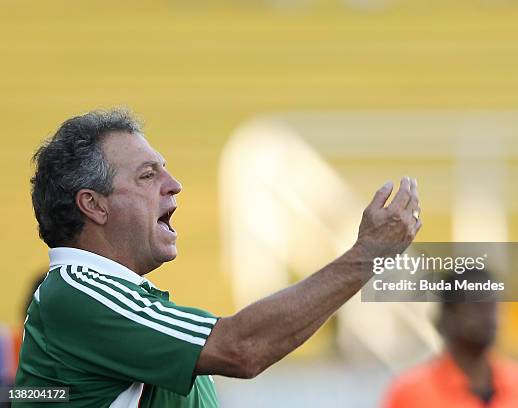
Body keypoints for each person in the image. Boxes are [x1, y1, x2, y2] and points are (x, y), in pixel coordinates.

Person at [15, 109, 422, 407]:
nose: (174, 186)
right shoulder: (80, 294)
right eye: (147, 175)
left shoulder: (113, 300)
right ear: (94, 205)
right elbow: (243, 348)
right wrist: (367, 255)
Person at [382, 269, 518, 408]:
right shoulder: (410, 393)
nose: (489, 317)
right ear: (445, 318)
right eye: (477, 307)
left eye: (493, 307)